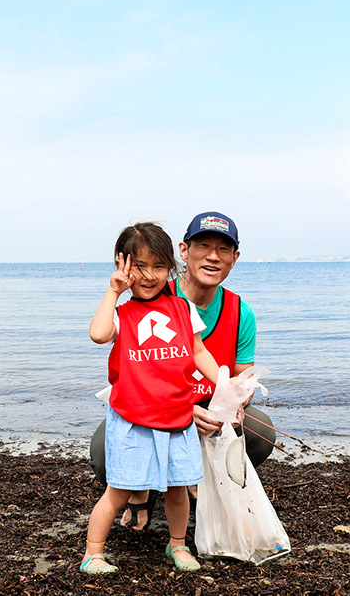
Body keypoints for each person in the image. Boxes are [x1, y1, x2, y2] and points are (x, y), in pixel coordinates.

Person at [89, 211, 276, 530]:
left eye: (224, 249)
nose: (213, 256)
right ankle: (139, 494)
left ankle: (197, 483)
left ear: (235, 258)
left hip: (209, 408)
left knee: (261, 431)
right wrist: (183, 408)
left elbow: (236, 378)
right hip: (155, 406)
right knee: (105, 449)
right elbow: (115, 350)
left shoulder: (240, 311)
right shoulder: (155, 298)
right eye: (203, 245)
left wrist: (231, 402)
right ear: (184, 252)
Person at [80, 222, 221, 575]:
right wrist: (113, 291)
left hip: (177, 415)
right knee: (119, 490)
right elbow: (98, 334)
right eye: (140, 266)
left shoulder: (181, 307)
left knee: (177, 489)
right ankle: (93, 553)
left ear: (171, 267)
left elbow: (199, 351)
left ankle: (178, 545)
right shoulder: (121, 312)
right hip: (132, 417)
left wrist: (227, 384)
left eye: (159, 267)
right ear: (122, 264)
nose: (150, 275)